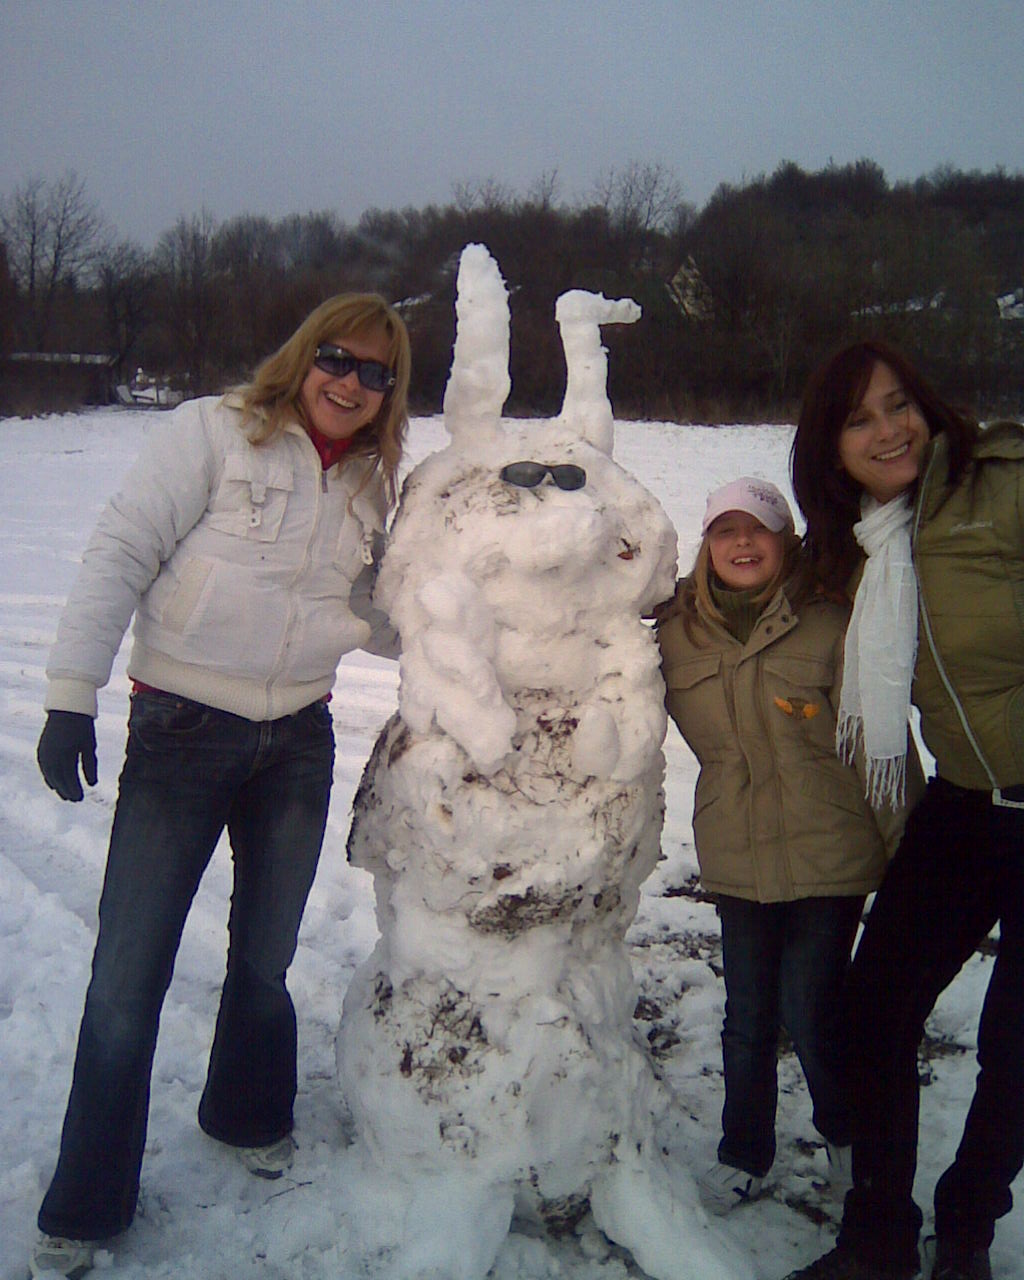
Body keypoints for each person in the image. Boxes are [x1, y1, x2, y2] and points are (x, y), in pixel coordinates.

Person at [29, 294, 411, 1279]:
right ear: (306, 353)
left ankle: (245, 1113)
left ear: (389, 392)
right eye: (338, 358)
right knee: (128, 973)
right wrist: (71, 695)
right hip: (183, 727)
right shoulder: (213, 430)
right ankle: (86, 1201)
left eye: (374, 373)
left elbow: (369, 606)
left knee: (266, 953)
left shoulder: (371, 483)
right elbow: (121, 551)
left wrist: (474, 622)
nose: (351, 383)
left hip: (298, 736)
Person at [782, 340, 1024, 1280]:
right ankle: (878, 1237)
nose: (889, 431)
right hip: (966, 800)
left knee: (1015, 1046)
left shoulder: (1003, 483)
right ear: (831, 446)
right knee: (873, 1011)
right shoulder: (858, 546)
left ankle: (966, 1230)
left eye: (898, 405)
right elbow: (761, 608)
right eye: (859, 419)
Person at [656, 477, 913, 1216]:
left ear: (784, 540)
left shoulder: (830, 622)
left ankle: (848, 1138)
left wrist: (909, 856)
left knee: (810, 1008)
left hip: (829, 850)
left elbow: (880, 746)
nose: (742, 542)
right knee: (746, 1017)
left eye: (759, 528)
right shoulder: (675, 633)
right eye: (725, 530)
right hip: (736, 850)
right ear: (707, 546)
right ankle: (744, 1152)